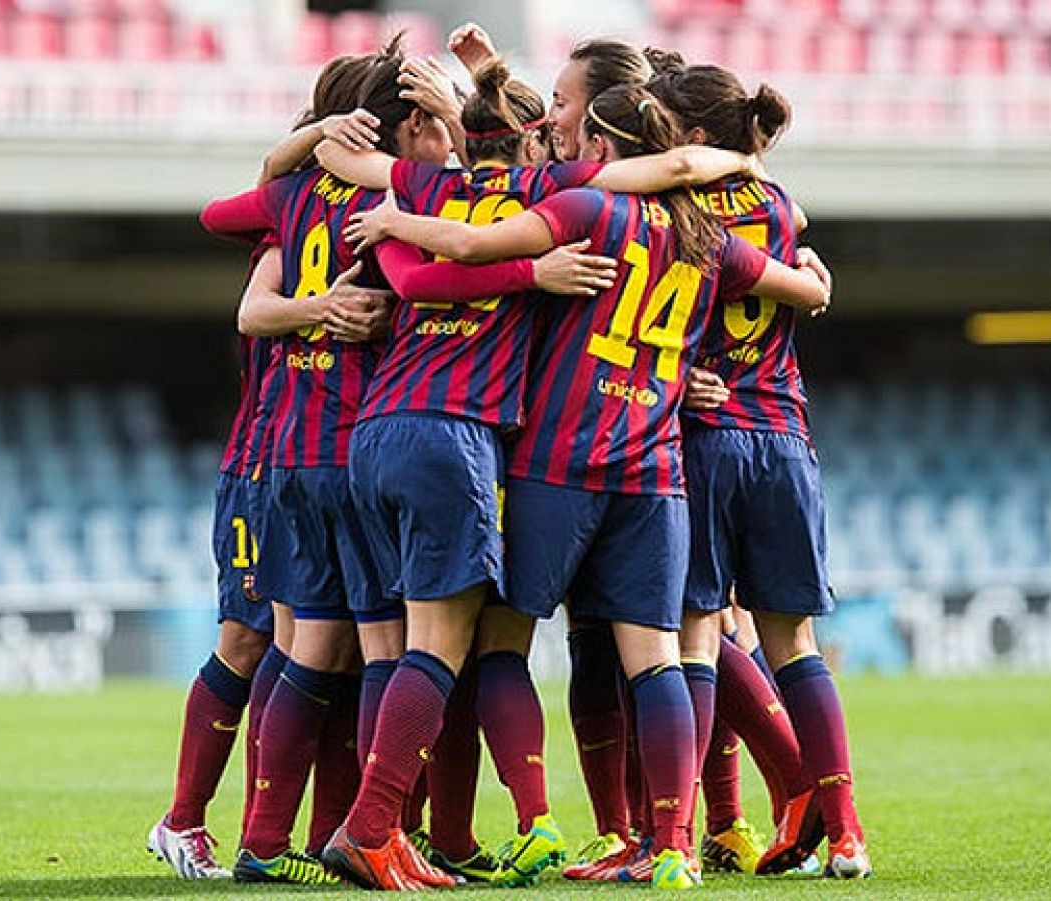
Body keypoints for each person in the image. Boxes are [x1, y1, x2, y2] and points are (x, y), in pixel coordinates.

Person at [345, 84, 829, 890]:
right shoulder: (709, 238)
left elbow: (468, 249)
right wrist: (813, 276)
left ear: (602, 151)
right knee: (658, 658)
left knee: (493, 641)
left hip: (557, 463)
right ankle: (671, 847)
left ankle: (522, 822)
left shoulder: (583, 210)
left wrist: (394, 221)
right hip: (655, 468)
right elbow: (797, 285)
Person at [144, 52, 386, 883]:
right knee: (256, 638)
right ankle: (188, 823)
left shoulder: (366, 202)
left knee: (334, 643)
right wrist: (323, 310)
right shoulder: (301, 206)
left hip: (334, 451)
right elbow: (250, 298)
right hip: (268, 456)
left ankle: (309, 831)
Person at [650, 61, 871, 879]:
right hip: (782, 434)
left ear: (695, 139)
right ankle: (846, 833)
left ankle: (678, 842)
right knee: (793, 641)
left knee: (695, 635)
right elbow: (800, 269)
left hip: (703, 437)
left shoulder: (677, 213)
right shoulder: (779, 205)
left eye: (664, 124)